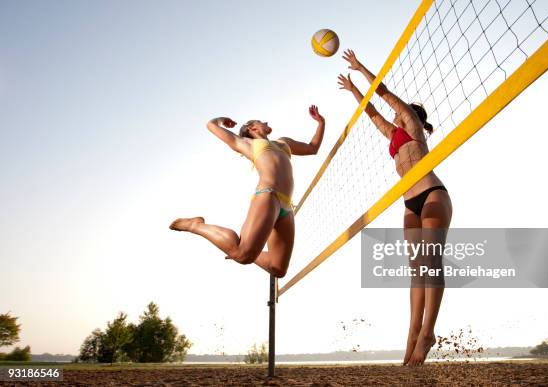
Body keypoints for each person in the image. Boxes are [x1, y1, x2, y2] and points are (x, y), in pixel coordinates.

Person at [338, 50, 452, 366]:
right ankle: (412, 339)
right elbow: (372, 112)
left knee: (430, 262)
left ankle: (428, 333)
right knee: (416, 273)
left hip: (431, 194)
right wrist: (353, 92)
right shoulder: (394, 135)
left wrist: (361, 68)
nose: (395, 116)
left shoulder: (413, 125)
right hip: (409, 205)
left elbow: (384, 95)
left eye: (399, 113)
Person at [170, 106, 325, 278]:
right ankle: (196, 225)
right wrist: (223, 120)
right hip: (268, 195)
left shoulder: (283, 142)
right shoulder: (248, 144)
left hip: (286, 207)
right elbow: (211, 125)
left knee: (278, 268)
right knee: (243, 255)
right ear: (252, 128)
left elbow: (312, 148)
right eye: (261, 121)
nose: (265, 122)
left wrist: (321, 122)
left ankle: (242, 248)